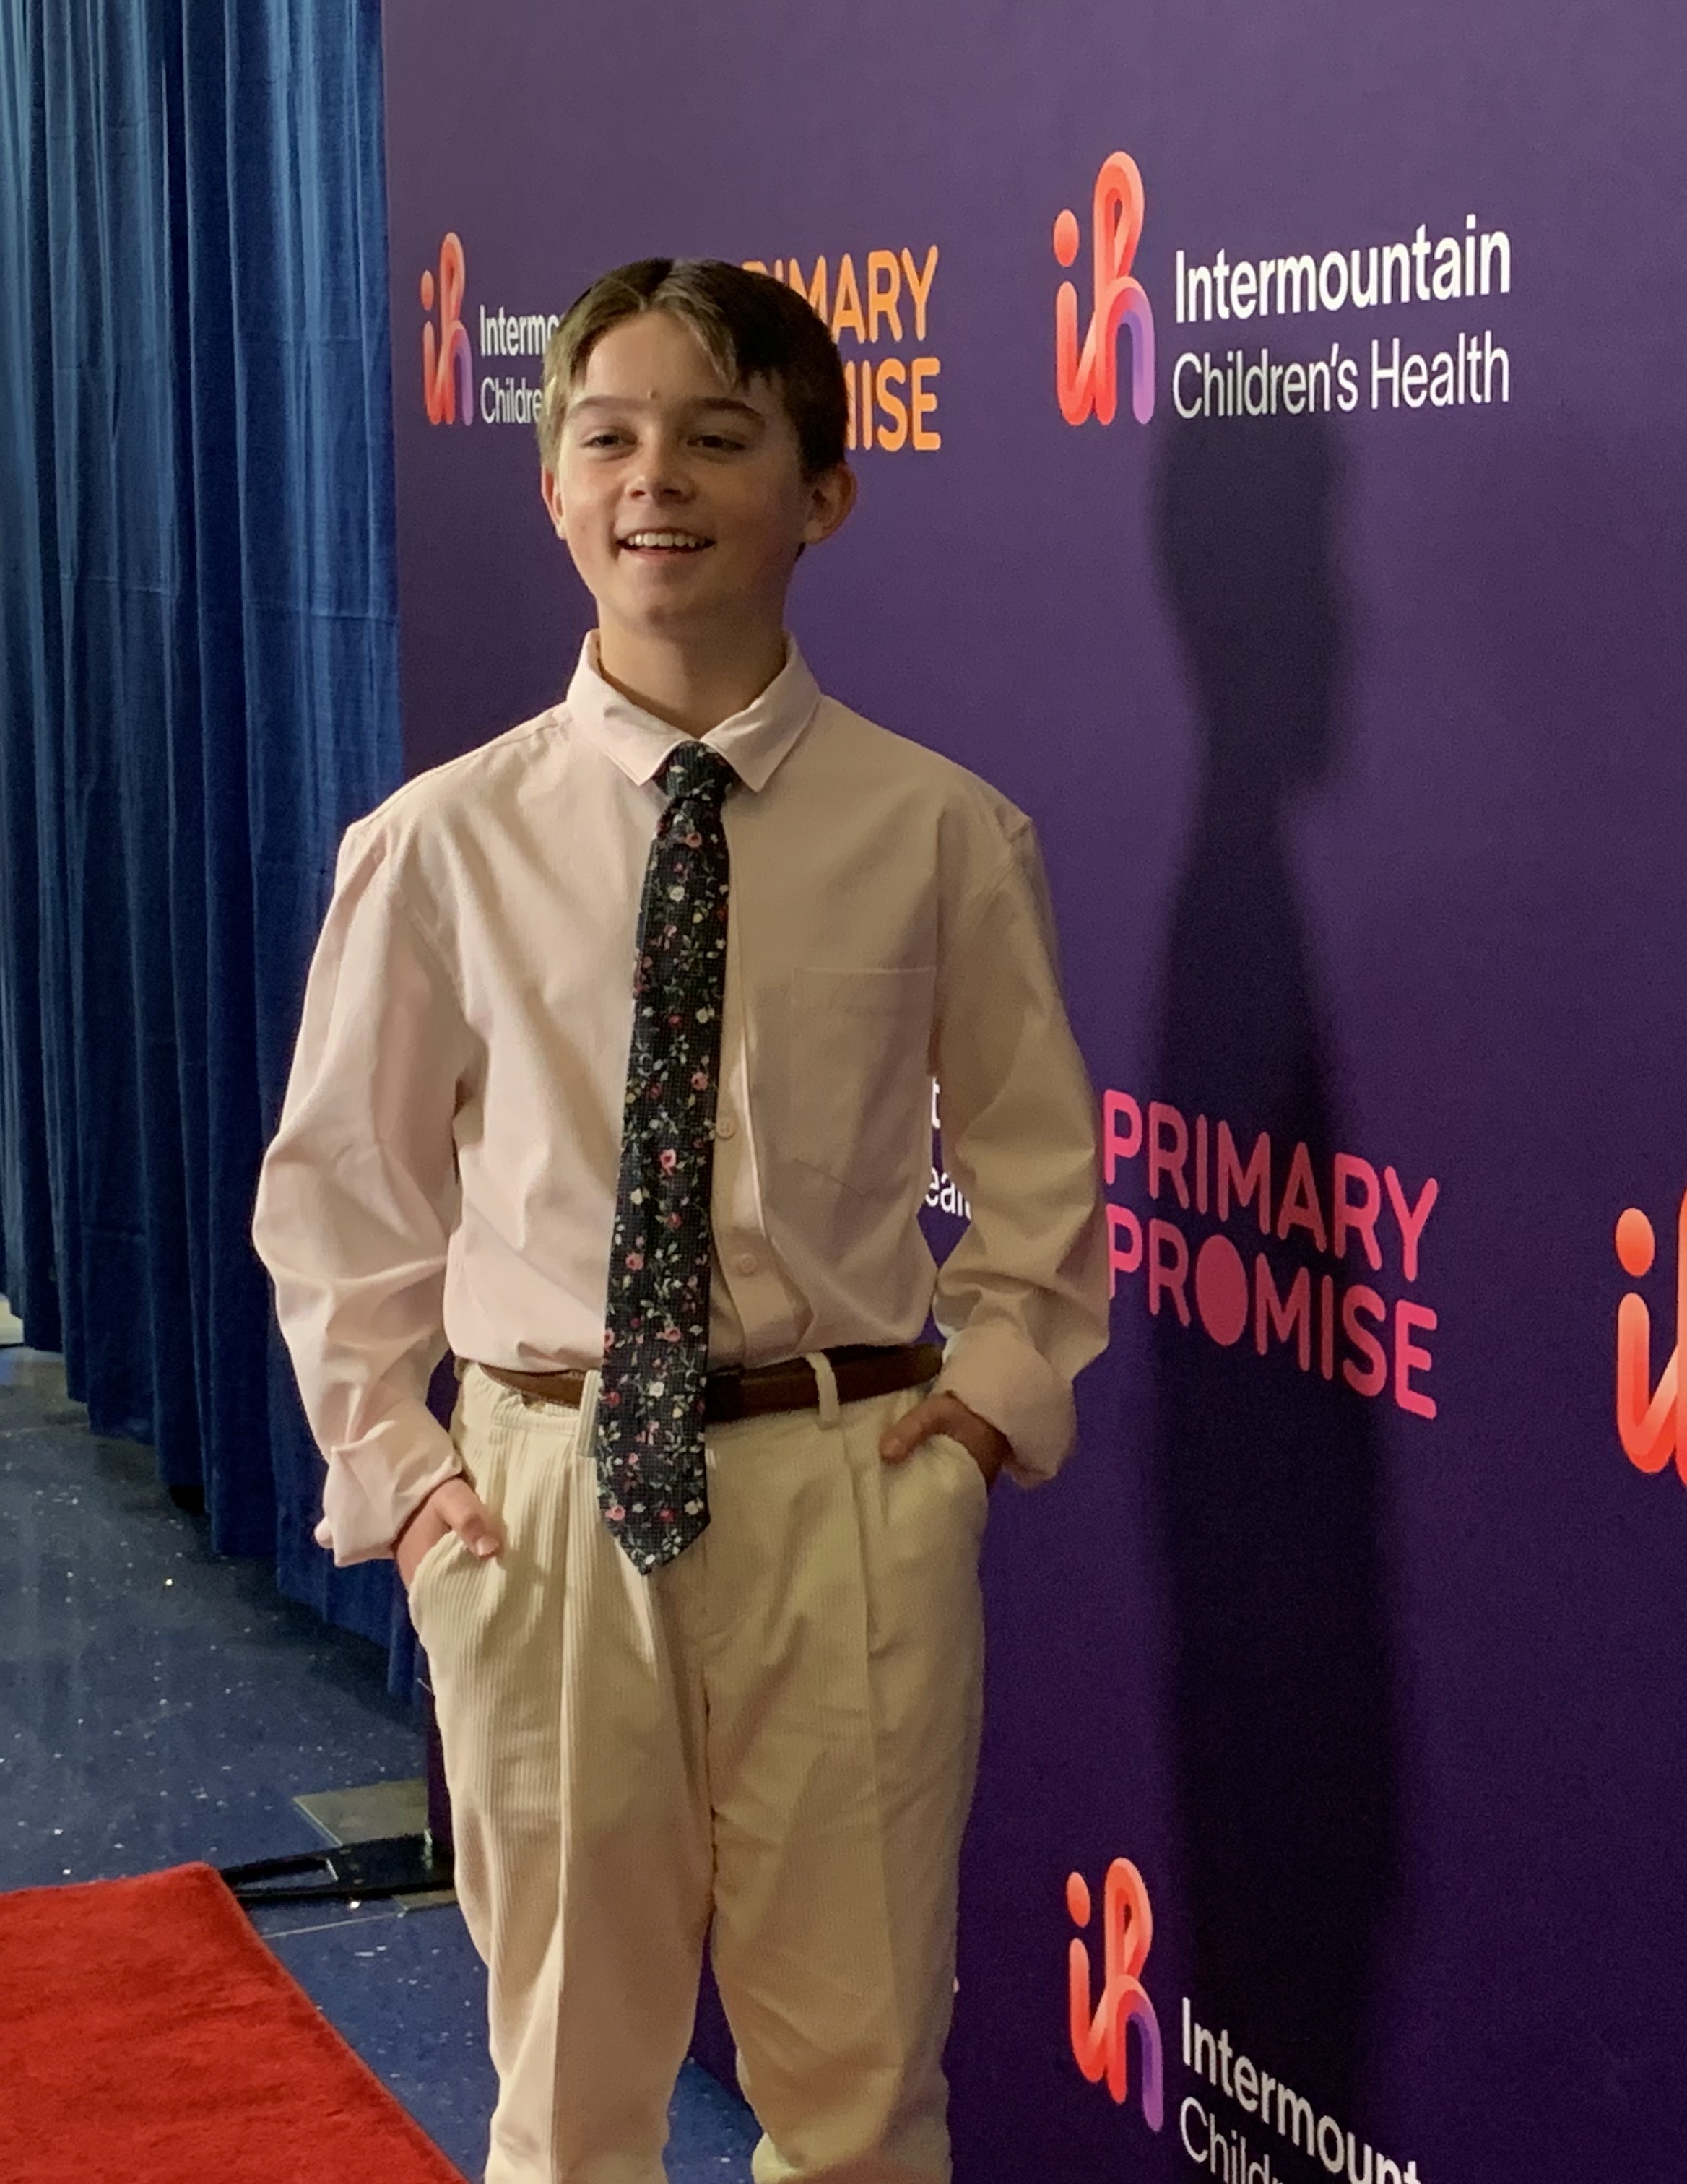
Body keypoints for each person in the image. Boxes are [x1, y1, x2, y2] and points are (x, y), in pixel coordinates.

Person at [251, 256, 1108, 2184]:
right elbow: (344, 1204)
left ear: (823, 490)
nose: (657, 478)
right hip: (545, 1501)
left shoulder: (941, 834)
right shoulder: (440, 845)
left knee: (863, 2080)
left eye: (720, 435)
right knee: (569, 2086)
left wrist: (976, 1420)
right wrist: (410, 1481)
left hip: (847, 1487)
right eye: (607, 434)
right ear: (553, 486)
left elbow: (1045, 1177)